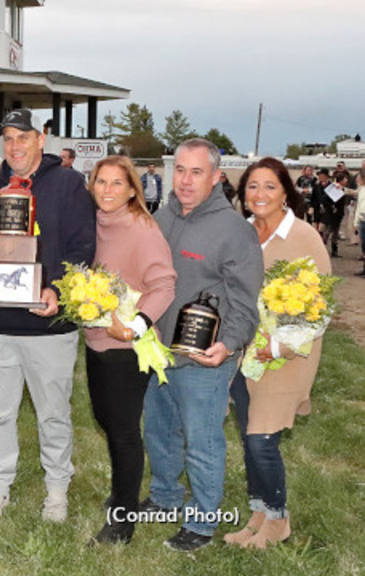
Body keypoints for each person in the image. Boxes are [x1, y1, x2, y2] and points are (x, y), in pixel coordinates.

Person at [0, 109, 96, 522]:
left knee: (53, 412)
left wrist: (56, 289)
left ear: (42, 139)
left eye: (24, 137)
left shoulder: (69, 185)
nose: (15, 146)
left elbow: (82, 250)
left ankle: (57, 488)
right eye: (8, 139)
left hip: (48, 325)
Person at [140, 138, 263, 552]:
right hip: (158, 352)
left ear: (215, 177)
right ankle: (164, 496)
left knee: (202, 440)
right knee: (158, 431)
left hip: (204, 359)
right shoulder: (160, 217)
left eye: (197, 172)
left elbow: (246, 304)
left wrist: (227, 345)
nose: (186, 181)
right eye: (181, 170)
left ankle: (203, 520)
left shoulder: (235, 231)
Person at [222, 157, 330, 549]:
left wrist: (278, 345)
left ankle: (279, 521)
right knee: (249, 434)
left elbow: (321, 306)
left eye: (269, 186)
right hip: (243, 354)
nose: (260, 194)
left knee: (261, 440)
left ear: (285, 191)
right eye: (252, 186)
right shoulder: (242, 234)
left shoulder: (303, 237)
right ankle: (259, 514)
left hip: (286, 356)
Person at [83, 156, 176, 545]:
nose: (107, 190)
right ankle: (122, 492)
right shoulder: (95, 223)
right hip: (94, 342)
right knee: (107, 421)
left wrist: (134, 328)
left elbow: (165, 285)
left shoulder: (142, 228)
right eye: (100, 182)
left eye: (117, 184)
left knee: (122, 431)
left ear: (133, 190)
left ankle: (123, 519)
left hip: (123, 350)